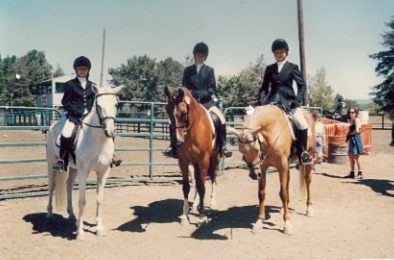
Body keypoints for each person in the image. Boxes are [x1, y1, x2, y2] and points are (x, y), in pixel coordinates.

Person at [163, 42, 232, 159]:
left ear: (205, 57)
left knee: (220, 117)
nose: (200, 57)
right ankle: (173, 147)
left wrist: (201, 94)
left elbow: (212, 88)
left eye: (202, 55)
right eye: (198, 55)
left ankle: (223, 146)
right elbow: (184, 87)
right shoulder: (188, 70)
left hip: (206, 102)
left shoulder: (209, 70)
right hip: (190, 102)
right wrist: (190, 95)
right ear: (194, 56)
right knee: (173, 120)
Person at [53, 56, 122, 171]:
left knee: (109, 130)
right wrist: (76, 112)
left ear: (88, 70)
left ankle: (111, 157)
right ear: (76, 70)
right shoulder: (70, 84)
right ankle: (63, 160)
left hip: (89, 116)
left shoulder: (93, 85)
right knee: (66, 132)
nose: (82, 71)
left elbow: (96, 102)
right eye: (80, 69)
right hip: (74, 116)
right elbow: (65, 102)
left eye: (85, 69)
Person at [257, 38, 312, 165]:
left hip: (289, 102)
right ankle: (257, 152)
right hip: (272, 102)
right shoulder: (270, 69)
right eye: (277, 53)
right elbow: (264, 87)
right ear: (274, 54)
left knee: (301, 123)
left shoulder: (293, 67)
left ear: (286, 52)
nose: (279, 55)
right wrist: (261, 100)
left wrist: (297, 100)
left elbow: (302, 85)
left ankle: (303, 152)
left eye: (281, 52)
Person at [345, 107, 363, 179]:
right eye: (349, 112)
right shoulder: (351, 120)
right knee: (351, 156)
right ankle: (352, 172)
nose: (351, 114)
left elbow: (357, 130)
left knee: (356, 157)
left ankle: (360, 173)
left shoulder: (356, 120)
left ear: (355, 113)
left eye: (352, 112)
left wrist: (350, 134)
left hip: (355, 139)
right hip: (352, 139)